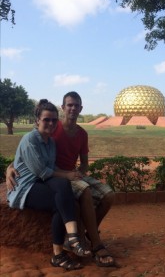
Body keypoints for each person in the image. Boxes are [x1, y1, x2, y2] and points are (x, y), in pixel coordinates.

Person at [6, 92, 116, 267]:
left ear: (81, 108)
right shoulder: (51, 129)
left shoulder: (76, 134)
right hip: (55, 177)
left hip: (69, 174)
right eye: (69, 105)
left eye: (76, 105)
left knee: (108, 195)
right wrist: (9, 168)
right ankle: (96, 244)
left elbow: (84, 163)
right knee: (83, 193)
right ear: (63, 107)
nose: (72, 108)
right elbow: (30, 156)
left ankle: (87, 232)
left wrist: (79, 174)